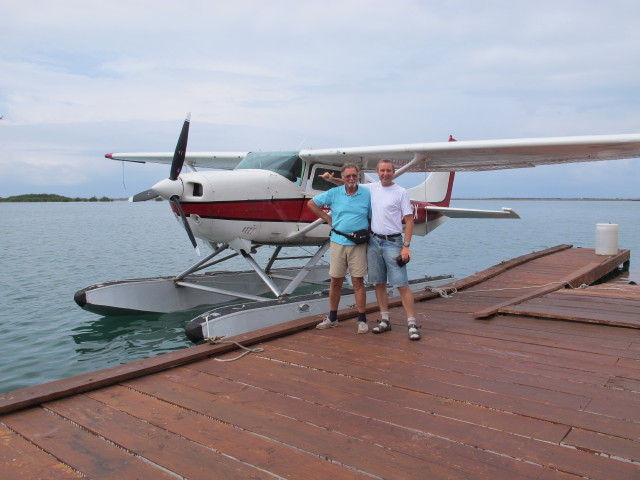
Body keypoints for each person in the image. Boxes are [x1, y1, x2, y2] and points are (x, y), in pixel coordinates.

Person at [321, 159, 419, 340]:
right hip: (373, 241)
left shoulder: (401, 192)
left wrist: (406, 246)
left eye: (388, 170)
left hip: (394, 242)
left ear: (393, 172)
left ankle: (412, 323)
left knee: (401, 284)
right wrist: (331, 179)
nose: (385, 174)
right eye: (382, 171)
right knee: (379, 283)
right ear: (378, 172)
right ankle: (384, 320)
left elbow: (410, 220)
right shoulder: (372, 189)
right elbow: (349, 182)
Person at [307, 163, 371, 334]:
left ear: (358, 177)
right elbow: (311, 203)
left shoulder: (367, 194)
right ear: (343, 178)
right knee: (336, 281)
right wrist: (327, 218)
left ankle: (362, 319)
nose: (351, 179)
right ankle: (333, 317)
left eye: (354, 176)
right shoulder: (335, 193)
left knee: (358, 281)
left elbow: (374, 215)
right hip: (337, 241)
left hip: (357, 244)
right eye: (348, 176)